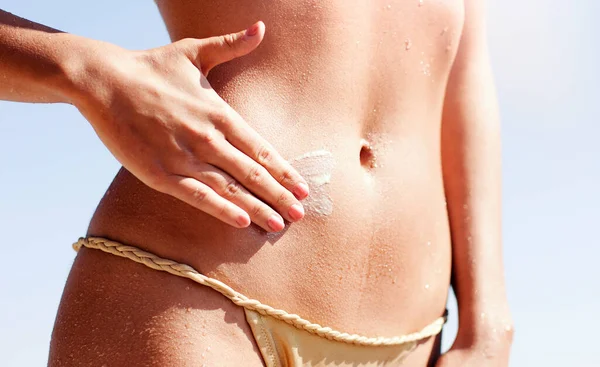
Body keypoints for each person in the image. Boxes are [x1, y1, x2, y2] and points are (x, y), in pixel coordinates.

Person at [0, 0, 514, 366]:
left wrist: (488, 322)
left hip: (415, 340)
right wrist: (88, 70)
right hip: (200, 305)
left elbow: (464, 80)